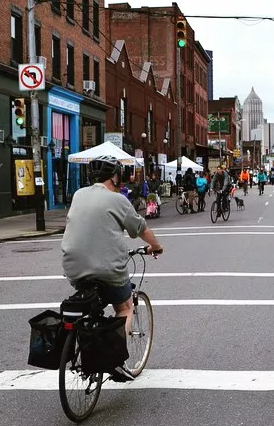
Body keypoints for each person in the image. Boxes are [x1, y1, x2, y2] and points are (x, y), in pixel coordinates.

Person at [61, 156, 164, 382]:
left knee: (91, 301)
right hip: (108, 269)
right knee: (124, 307)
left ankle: (86, 336)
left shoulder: (78, 195)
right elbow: (141, 229)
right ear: (115, 176)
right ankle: (114, 359)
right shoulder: (118, 200)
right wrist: (155, 247)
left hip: (73, 268)